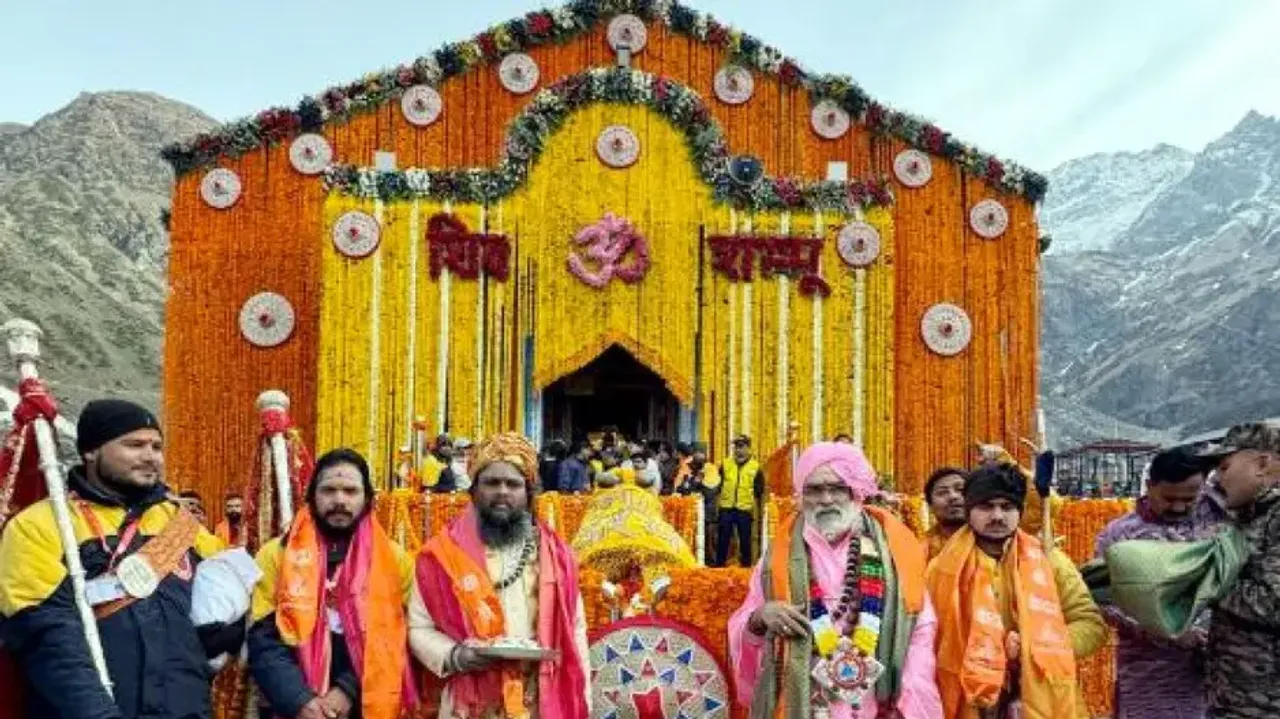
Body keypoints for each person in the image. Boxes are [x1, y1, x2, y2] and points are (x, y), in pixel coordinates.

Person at [0, 399, 235, 719]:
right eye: (134, 445)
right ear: (91, 451)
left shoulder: (182, 525)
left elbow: (229, 606)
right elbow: (48, 639)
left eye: (156, 446)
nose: (150, 455)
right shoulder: (37, 526)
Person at [728, 442, 941, 717]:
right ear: (801, 495)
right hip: (803, 700)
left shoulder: (894, 548)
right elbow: (746, 619)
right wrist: (760, 617)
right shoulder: (776, 555)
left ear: (855, 492)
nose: (826, 499)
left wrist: (909, 702)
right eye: (814, 489)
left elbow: (919, 628)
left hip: (876, 704)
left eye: (837, 488)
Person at [409, 432, 590, 718]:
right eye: (492, 482)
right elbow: (418, 628)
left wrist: (583, 701)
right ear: (474, 490)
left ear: (529, 493)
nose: (502, 491)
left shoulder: (557, 557)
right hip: (468, 703)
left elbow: (575, 630)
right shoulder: (440, 555)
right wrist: (455, 656)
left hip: (538, 700)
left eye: (513, 484)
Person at [927, 463, 1108, 718]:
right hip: (968, 698)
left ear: (1020, 511)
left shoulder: (1049, 561)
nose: (997, 516)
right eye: (986, 506)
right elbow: (925, 637)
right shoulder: (941, 569)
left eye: (1007, 507)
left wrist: (1032, 646)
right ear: (969, 511)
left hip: (1040, 696)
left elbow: (1090, 624)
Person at [247, 448, 415, 719]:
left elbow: (398, 636)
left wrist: (348, 690)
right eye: (329, 490)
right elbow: (263, 638)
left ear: (368, 499)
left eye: (350, 491)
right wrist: (300, 701)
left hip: (367, 701)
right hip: (292, 704)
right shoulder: (276, 554)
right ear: (312, 496)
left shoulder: (395, 560)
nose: (339, 500)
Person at [1093, 447, 1227, 719]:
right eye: (1168, 498)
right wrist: (1169, 632)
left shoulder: (1218, 520)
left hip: (1221, 668)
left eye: (1189, 498)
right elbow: (1105, 600)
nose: (1178, 507)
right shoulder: (1122, 535)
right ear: (1149, 486)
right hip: (1151, 674)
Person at [1196, 422, 1280, 717]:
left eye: (1225, 467)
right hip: (1232, 697)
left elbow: (1273, 604)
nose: (1218, 479)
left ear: (1262, 464)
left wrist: (1207, 579)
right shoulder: (1248, 516)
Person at [716, 434, 762, 567]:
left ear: (749, 448)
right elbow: (718, 485)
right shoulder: (725, 464)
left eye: (741, 447)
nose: (738, 450)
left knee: (745, 541)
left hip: (744, 509)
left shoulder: (755, 467)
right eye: (736, 447)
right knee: (723, 540)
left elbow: (759, 492)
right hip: (726, 508)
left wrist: (757, 512)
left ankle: (746, 569)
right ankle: (719, 568)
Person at [924, 467, 967, 559]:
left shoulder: (995, 543)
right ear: (930, 506)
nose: (953, 496)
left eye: (960, 490)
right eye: (942, 493)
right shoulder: (919, 549)